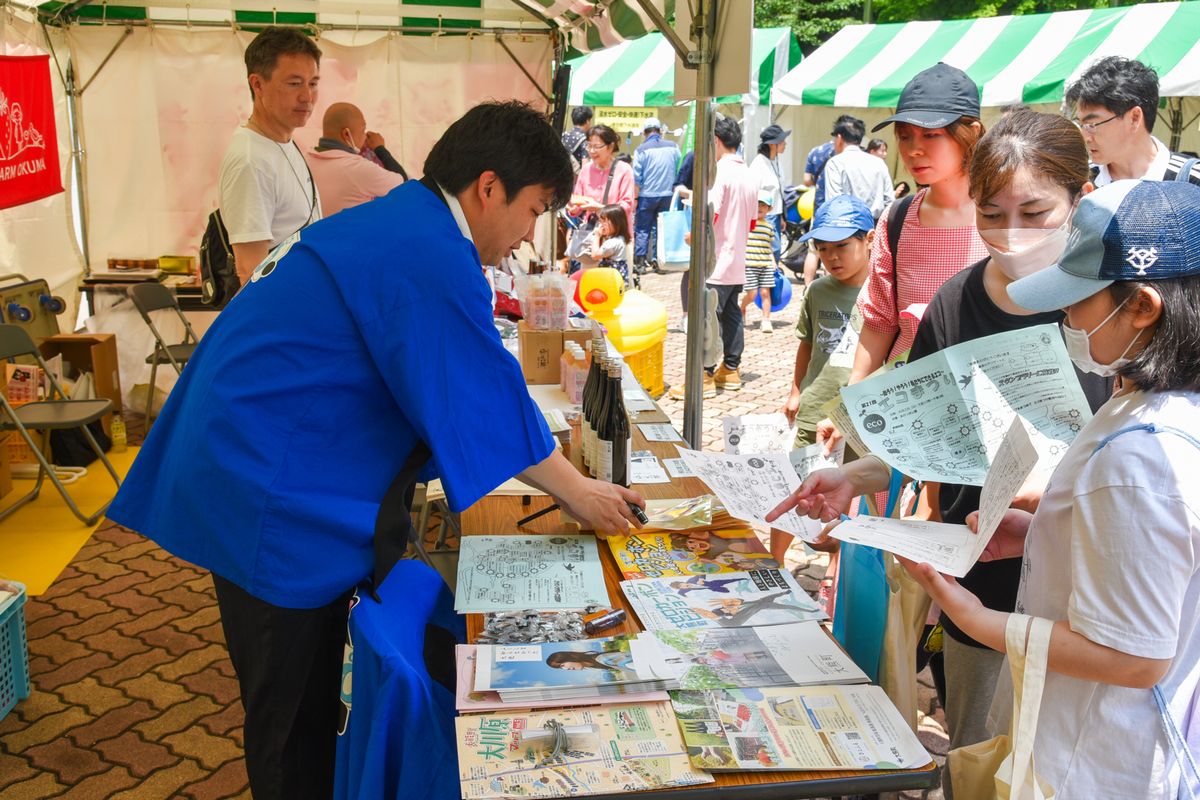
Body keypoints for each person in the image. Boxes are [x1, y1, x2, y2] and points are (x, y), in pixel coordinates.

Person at [106, 101, 645, 800]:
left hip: (263, 459)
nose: (526, 234)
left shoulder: (406, 221)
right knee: (288, 712)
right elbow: (477, 394)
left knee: (303, 691)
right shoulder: (427, 248)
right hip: (264, 489)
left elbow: (461, 381)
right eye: (535, 208)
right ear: (489, 188)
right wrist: (582, 491)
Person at [917, 179, 1200, 799]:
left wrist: (979, 620)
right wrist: (1047, 528)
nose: (1066, 318)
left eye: (1078, 301)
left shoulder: (1141, 458)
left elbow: (1134, 655)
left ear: (1143, 307)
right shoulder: (1158, 407)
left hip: (1102, 762)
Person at [905, 109, 1114, 778]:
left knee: (1064, 768)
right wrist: (853, 478)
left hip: (1091, 600)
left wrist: (1062, 478)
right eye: (991, 213)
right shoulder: (954, 302)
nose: (1012, 234)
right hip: (982, 581)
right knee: (977, 764)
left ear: (1080, 198)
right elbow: (918, 429)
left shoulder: (1115, 309)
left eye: (1036, 210)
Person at [849, 62, 987, 382]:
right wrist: (851, 401)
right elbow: (880, 321)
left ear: (972, 132)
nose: (914, 150)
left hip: (990, 398)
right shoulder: (897, 219)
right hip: (911, 397)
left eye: (930, 134)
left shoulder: (1008, 215)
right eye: (905, 136)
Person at [771, 195, 873, 563]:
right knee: (794, 487)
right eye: (823, 248)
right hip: (815, 408)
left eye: (842, 246)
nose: (832, 257)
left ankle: (835, 567)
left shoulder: (882, 294)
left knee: (846, 498)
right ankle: (776, 560)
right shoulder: (817, 290)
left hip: (860, 420)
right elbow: (807, 343)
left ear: (870, 240)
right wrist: (795, 390)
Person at [218, 26, 323, 286]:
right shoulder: (251, 160)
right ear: (258, 84)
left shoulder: (284, 142)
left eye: (313, 84)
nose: (307, 97)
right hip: (284, 316)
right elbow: (250, 271)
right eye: (294, 83)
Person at [668, 115, 759, 398]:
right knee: (732, 316)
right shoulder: (749, 174)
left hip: (715, 261)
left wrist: (693, 237)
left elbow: (710, 217)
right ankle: (730, 369)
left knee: (706, 319)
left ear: (716, 142)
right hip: (737, 261)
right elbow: (753, 223)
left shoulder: (719, 174)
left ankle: (704, 376)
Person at [1064, 56, 1200, 186]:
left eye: (1091, 125)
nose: (1084, 137)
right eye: (1081, 124)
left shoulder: (1191, 179)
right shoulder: (1080, 182)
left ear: (1134, 118)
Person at [306, 102, 406, 216]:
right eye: (363, 130)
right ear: (346, 134)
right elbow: (404, 185)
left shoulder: (304, 159)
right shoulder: (357, 168)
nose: (365, 137)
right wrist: (380, 149)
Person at [800, 114, 855, 287]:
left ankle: (808, 288)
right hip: (844, 212)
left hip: (819, 209)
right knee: (835, 251)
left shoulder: (816, 152)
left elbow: (807, 180)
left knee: (814, 251)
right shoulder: (852, 155)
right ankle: (830, 287)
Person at [631, 117, 680, 273]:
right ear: (660, 131)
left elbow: (637, 177)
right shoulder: (674, 147)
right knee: (662, 229)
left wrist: (636, 197)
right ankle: (659, 264)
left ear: (645, 133)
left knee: (643, 229)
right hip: (667, 195)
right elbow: (677, 164)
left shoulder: (640, 150)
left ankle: (640, 264)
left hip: (647, 195)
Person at [823, 115, 895, 220]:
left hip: (847, 226)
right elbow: (889, 200)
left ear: (839, 138)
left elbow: (834, 203)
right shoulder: (879, 163)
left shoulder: (835, 163)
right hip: (876, 226)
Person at [568, 124, 635, 234]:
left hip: (617, 235)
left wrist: (600, 208)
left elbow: (627, 206)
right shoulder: (586, 170)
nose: (592, 151)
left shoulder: (624, 170)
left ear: (610, 147)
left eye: (597, 146)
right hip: (592, 234)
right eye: (589, 146)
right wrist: (574, 208)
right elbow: (578, 199)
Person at [740, 190, 779, 332]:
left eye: (763, 205)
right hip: (749, 264)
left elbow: (768, 246)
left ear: (769, 209)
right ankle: (742, 307)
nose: (759, 207)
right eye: (756, 204)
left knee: (765, 293)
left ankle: (766, 320)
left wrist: (773, 261)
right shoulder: (746, 224)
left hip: (765, 265)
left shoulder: (769, 227)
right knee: (752, 294)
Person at [749, 124, 790, 259]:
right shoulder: (758, 164)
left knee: (776, 251)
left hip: (776, 215)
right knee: (770, 251)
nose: (785, 144)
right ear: (773, 145)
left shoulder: (776, 162)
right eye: (782, 141)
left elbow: (779, 191)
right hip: (765, 216)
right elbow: (753, 193)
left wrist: (782, 216)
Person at [586, 203, 631, 283]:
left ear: (616, 223)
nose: (601, 226)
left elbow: (595, 255)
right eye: (600, 222)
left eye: (604, 222)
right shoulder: (620, 238)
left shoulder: (612, 243)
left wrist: (597, 236)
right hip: (617, 280)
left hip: (611, 281)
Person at [562, 105, 593, 169]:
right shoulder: (585, 139)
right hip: (576, 177)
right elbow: (585, 164)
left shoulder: (564, 136)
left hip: (561, 174)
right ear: (587, 121)